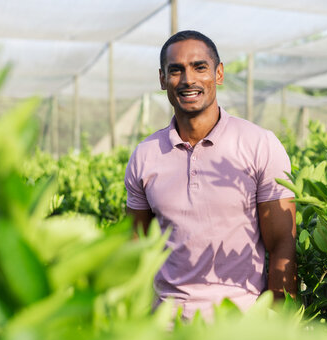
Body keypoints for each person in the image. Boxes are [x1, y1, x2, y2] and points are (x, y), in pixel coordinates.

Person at [124, 30, 296, 319]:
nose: (188, 79)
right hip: (167, 329)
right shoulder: (145, 155)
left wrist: (280, 325)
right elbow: (135, 247)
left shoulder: (259, 144)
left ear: (218, 73)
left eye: (199, 67)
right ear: (163, 79)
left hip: (239, 326)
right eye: (175, 70)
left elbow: (282, 242)